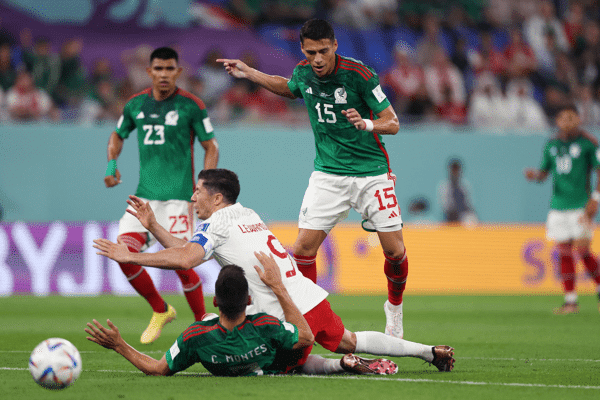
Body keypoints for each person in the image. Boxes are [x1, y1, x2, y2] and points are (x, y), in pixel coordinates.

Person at [94, 169, 455, 372]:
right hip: (304, 296)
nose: (192, 199)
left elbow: (188, 259)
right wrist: (155, 227)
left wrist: (131, 256)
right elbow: (190, 251)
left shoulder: (217, 223)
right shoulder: (244, 213)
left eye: (197, 192)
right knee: (349, 337)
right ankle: (426, 352)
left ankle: (344, 366)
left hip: (281, 310)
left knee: (272, 368)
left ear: (217, 198)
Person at [217, 19, 408, 339]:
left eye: (322, 51)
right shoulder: (304, 73)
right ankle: (309, 316)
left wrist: (367, 123)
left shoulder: (359, 75)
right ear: (303, 50)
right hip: (328, 175)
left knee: (395, 253)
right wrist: (249, 72)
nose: (317, 59)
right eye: (310, 52)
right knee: (304, 248)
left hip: (371, 173)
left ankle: (394, 308)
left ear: (334, 46)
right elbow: (288, 87)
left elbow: (393, 122)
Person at [86, 254, 398, 376]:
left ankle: (337, 365)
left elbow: (157, 369)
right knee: (297, 358)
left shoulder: (196, 337)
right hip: (273, 366)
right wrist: (278, 287)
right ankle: (337, 364)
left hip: (220, 349)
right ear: (249, 300)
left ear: (215, 300)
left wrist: (118, 345)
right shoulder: (264, 324)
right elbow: (305, 337)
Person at [103, 47, 219, 344]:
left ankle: (201, 324)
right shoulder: (135, 105)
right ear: (149, 71)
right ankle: (160, 309)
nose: (164, 74)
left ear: (178, 72)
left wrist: (204, 187)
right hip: (144, 198)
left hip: (179, 199)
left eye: (170, 69)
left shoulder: (191, 106)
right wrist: (112, 165)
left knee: (183, 263)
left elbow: (211, 147)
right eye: (158, 69)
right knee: (123, 253)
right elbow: (117, 135)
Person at [524, 106, 600, 314]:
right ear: (557, 120)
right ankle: (570, 301)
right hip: (558, 206)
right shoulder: (551, 145)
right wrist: (535, 176)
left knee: (583, 251)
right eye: (563, 117)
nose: (567, 121)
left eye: (571, 117)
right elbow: (544, 173)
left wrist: (595, 198)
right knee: (564, 253)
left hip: (581, 206)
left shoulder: (588, 143)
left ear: (578, 118)